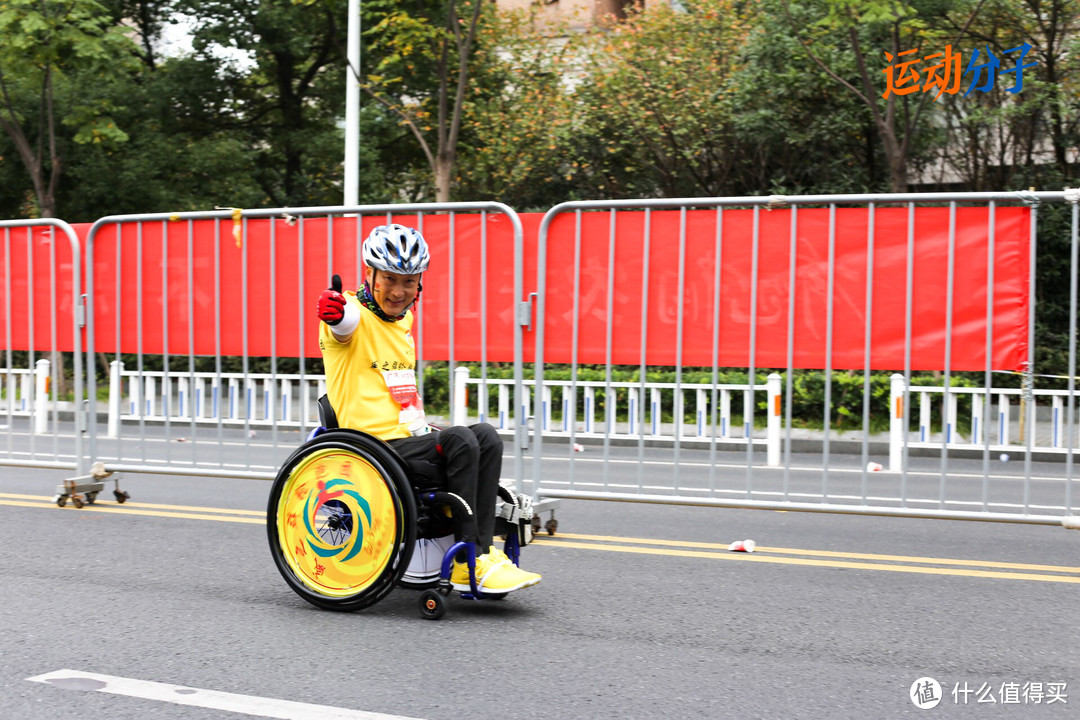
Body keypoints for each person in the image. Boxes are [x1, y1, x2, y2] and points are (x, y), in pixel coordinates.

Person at [315, 223, 541, 595]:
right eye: (390, 279)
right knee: (459, 440)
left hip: (406, 438)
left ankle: (480, 549)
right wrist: (335, 315)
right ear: (369, 274)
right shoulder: (352, 312)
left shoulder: (404, 319)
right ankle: (469, 561)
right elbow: (343, 326)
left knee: (485, 435)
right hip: (370, 447)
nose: (400, 291)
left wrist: (421, 425)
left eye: (409, 281)